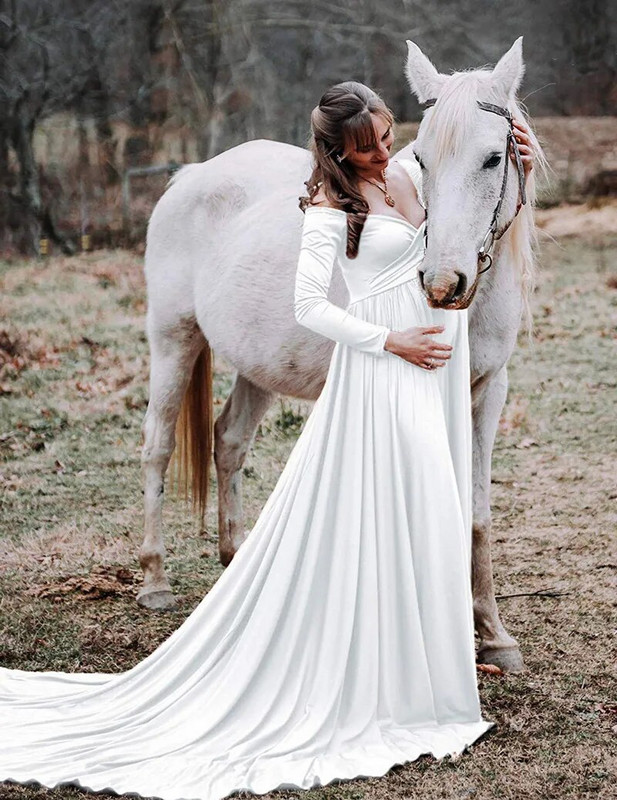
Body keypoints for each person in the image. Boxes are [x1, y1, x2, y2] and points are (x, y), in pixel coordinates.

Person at [0, 82, 535, 800]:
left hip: (412, 376)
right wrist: (390, 341)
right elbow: (309, 306)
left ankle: (417, 654)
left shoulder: (408, 178)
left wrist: (518, 149)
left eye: (388, 136)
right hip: (376, 369)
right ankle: (167, 554)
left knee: (419, 504)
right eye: (370, 146)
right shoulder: (328, 208)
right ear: (339, 152)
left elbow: (469, 176)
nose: (387, 152)